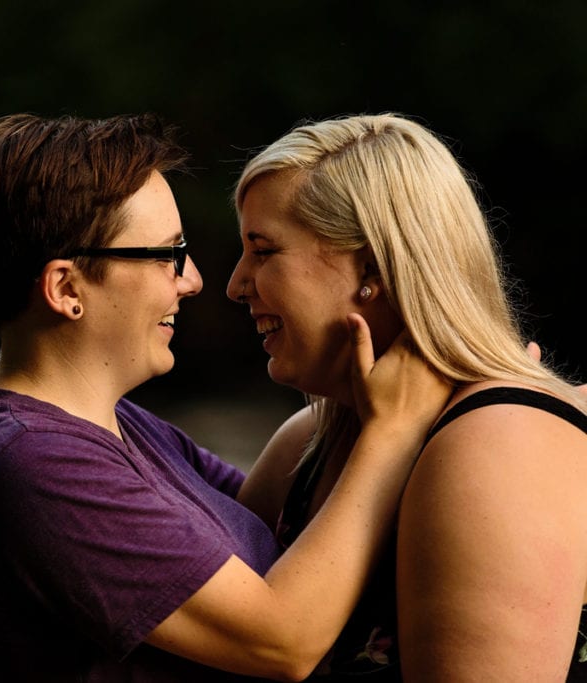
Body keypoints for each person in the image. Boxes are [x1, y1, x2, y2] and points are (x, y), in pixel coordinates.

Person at [0, 112, 451, 682]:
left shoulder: (117, 428)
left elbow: (292, 529)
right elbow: (283, 641)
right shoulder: (32, 466)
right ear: (66, 288)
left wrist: (518, 414)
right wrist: (390, 431)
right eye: (166, 255)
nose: (194, 280)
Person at [227, 112, 587, 681]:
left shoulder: (498, 443)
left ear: (370, 266)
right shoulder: (304, 446)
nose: (236, 285)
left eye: (263, 251)